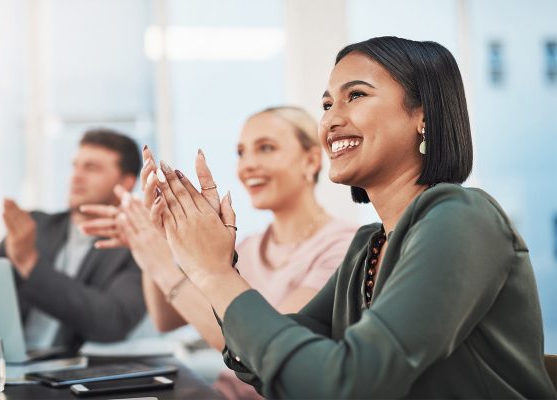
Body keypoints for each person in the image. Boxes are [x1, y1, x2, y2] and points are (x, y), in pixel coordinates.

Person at [141, 37, 557, 398]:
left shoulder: (463, 218)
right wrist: (206, 261)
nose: (331, 120)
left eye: (355, 95)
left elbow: (345, 385)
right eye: (326, 103)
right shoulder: (368, 246)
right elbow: (271, 365)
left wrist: (215, 274)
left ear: (424, 115)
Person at [80, 107, 357, 399]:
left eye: (266, 148)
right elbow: (167, 318)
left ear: (312, 159)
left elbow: (265, 348)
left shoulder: (342, 246)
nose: (247, 165)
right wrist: (153, 243)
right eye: (241, 152)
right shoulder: (247, 246)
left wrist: (161, 264)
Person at [0, 128, 146, 353]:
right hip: (3, 364)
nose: (76, 176)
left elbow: (114, 322)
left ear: (126, 183)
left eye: (91, 168)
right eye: (75, 166)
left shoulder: (136, 247)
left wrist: (30, 264)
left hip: (74, 376)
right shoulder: (34, 226)